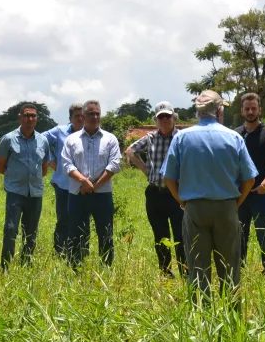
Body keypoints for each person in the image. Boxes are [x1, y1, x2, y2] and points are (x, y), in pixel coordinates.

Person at [161, 91, 257, 302]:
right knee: (230, 266)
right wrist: (236, 203)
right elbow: (249, 179)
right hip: (226, 207)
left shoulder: (182, 138)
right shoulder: (234, 137)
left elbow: (168, 177)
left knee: (197, 267)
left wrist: (182, 202)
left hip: (194, 208)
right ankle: (231, 317)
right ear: (219, 110)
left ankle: (201, 318)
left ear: (197, 112)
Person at [125, 101, 186, 278]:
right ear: (156, 120)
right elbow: (130, 151)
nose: (165, 119)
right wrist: (144, 168)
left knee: (181, 235)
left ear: (174, 117)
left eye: (168, 116)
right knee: (160, 235)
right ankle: (165, 272)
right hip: (155, 194)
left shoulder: (182, 138)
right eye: (161, 117)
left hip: (177, 194)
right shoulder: (150, 138)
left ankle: (185, 271)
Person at [61, 100, 122, 268]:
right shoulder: (72, 140)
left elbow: (114, 164)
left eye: (97, 114)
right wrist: (84, 181)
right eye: (91, 114)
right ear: (83, 116)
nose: (95, 117)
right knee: (76, 233)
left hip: (102, 194)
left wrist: (94, 185)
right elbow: (67, 165)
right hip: (77, 194)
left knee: (105, 232)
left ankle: (106, 268)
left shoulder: (110, 139)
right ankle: (75, 268)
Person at [0, 104, 50, 271]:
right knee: (11, 228)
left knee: (31, 231)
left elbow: (44, 168)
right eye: (26, 116)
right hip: (15, 192)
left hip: (35, 192)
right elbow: (0, 167)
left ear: (37, 119)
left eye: (33, 116)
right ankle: (5, 266)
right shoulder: (8, 139)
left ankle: (27, 264)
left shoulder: (43, 140)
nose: (30, 119)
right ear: (20, 117)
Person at [234, 93, 265, 275]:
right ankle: (238, 269)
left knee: (264, 233)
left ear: (259, 110)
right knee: (238, 233)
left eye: (254, 108)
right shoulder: (235, 134)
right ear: (241, 111)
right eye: (247, 108)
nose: (251, 112)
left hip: (262, 193)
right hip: (239, 194)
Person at [43, 103, 85, 256]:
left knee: (82, 220)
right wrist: (49, 158)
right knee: (63, 219)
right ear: (70, 118)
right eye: (77, 116)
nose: (80, 119)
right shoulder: (59, 131)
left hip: (84, 185)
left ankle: (80, 251)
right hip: (63, 183)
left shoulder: (90, 133)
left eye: (82, 116)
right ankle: (60, 251)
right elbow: (40, 140)